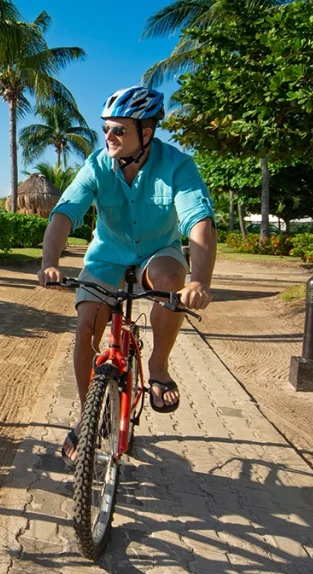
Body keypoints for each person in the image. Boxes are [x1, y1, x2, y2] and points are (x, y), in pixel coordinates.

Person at [37, 86, 217, 464]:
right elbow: (65, 212)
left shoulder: (178, 165)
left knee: (170, 280)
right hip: (108, 257)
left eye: (119, 130)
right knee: (86, 326)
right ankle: (87, 418)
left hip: (157, 253)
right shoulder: (97, 164)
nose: (109, 136)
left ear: (146, 133)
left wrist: (199, 281)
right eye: (106, 128)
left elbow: (198, 220)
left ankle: (158, 367)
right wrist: (49, 262)